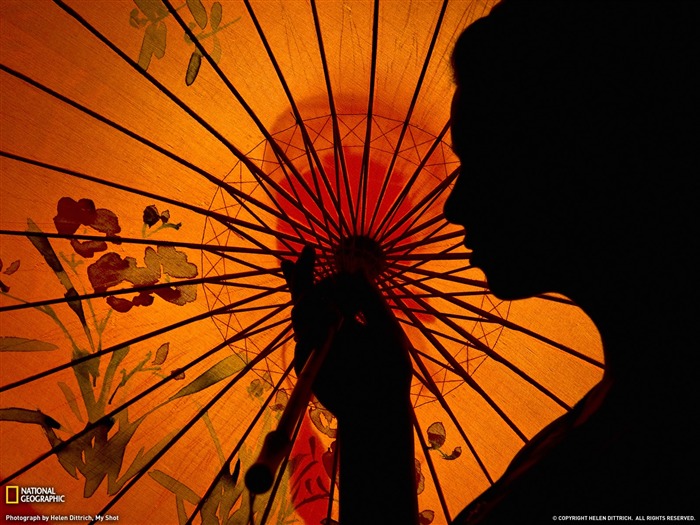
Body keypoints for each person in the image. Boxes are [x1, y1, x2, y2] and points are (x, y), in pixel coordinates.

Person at [284, 1, 699, 523]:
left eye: (486, 161)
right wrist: (376, 413)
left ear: (589, 160)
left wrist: (377, 419)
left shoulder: (650, 458)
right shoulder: (610, 421)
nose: (456, 206)